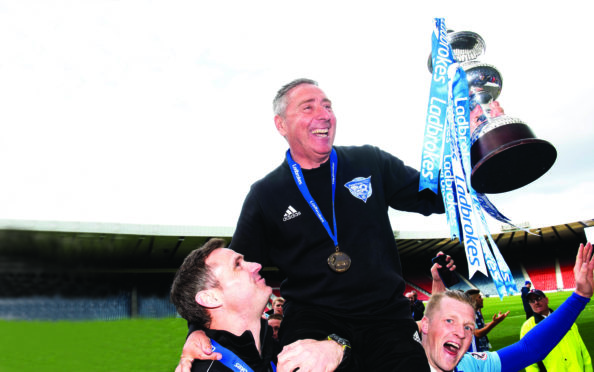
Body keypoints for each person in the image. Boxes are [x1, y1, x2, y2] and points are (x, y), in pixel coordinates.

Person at [177, 78, 445, 371]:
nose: (324, 114)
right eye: (308, 107)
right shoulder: (266, 195)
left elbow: (434, 197)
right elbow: (224, 277)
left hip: (386, 320)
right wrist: (197, 329)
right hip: (313, 323)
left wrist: (475, 148)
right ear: (281, 125)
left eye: (327, 106)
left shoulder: (369, 162)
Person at [171, 238, 345, 372]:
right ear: (210, 298)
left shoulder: (279, 348)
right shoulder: (209, 368)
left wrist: (339, 349)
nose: (256, 265)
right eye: (237, 265)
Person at [421, 242, 594, 372]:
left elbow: (530, 349)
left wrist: (580, 296)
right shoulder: (402, 360)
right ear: (425, 325)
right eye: (450, 321)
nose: (461, 333)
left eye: (468, 327)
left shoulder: (470, 364)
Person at [520, 288, 592, 371]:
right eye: (532, 301)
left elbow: (582, 349)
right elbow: (529, 361)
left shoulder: (566, 319)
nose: (536, 302)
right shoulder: (527, 327)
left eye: (538, 298)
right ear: (529, 305)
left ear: (546, 300)